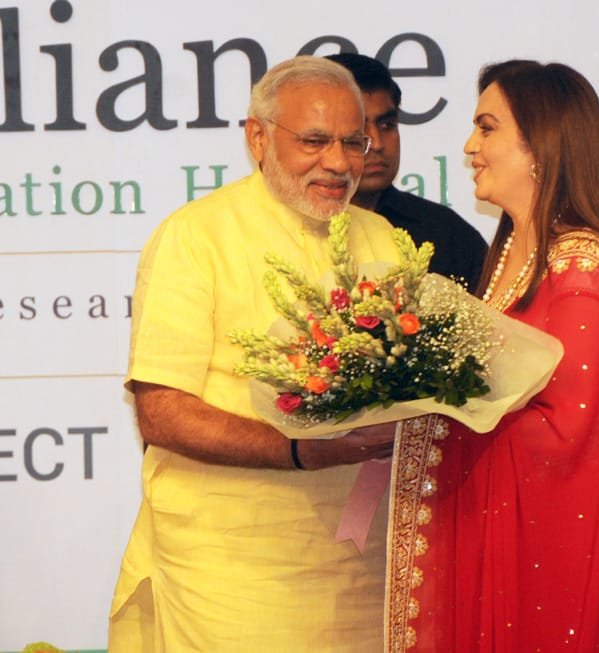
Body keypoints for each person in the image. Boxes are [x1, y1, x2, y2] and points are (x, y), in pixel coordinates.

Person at [107, 56, 401, 652]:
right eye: (315, 141)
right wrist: (298, 451)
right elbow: (162, 413)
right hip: (230, 569)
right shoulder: (196, 236)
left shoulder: (381, 240)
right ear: (257, 137)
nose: (339, 163)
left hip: (364, 564)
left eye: (353, 142)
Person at [385, 60, 599, 652]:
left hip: (556, 540)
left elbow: (571, 437)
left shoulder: (584, 268)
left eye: (486, 128)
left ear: (540, 145)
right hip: (499, 527)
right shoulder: (511, 252)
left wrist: (440, 414)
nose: (469, 147)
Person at [326, 52, 488, 293]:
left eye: (387, 125)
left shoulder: (447, 234)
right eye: (358, 129)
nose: (378, 143)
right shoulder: (295, 230)